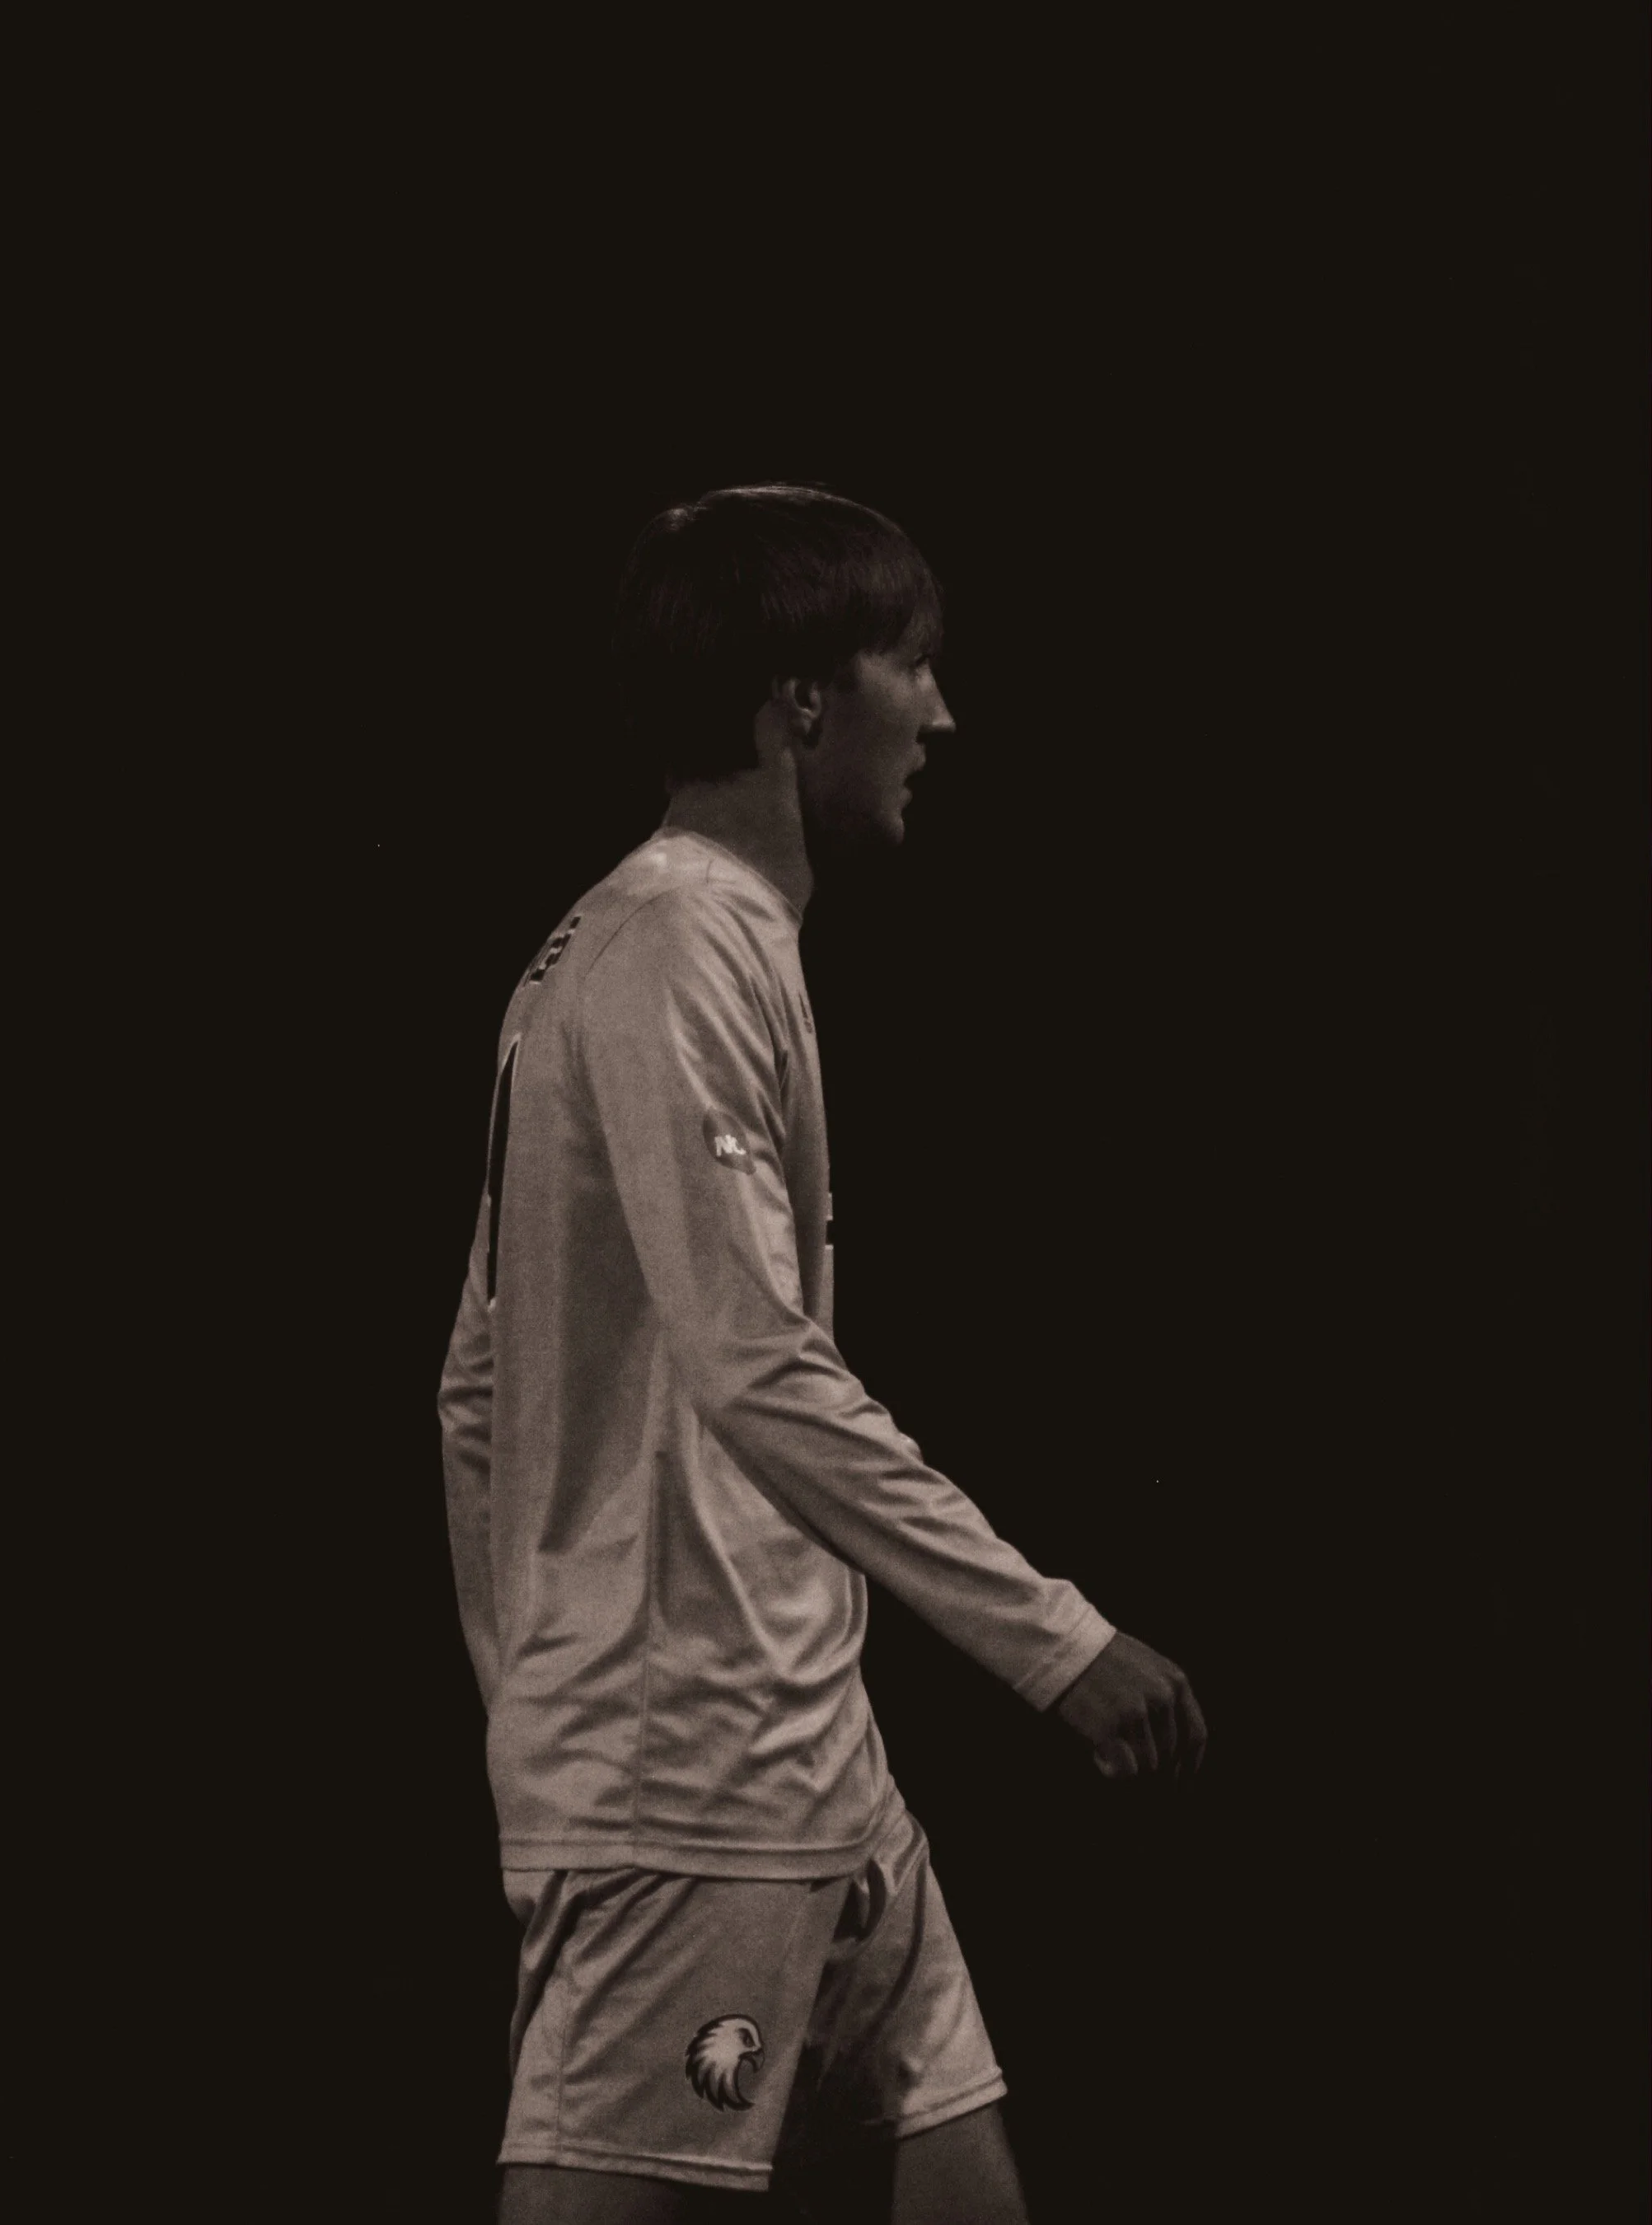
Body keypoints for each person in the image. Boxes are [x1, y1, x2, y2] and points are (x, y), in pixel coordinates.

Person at [438, 485, 1207, 2223]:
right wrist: (1053, 1640)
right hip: (686, 1775)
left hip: (802, 1757)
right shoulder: (675, 951)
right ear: (801, 700)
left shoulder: (659, 945)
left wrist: (532, 1708)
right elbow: (756, 1365)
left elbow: (471, 1391)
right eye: (911, 663)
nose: (942, 712)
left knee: (965, 2186)